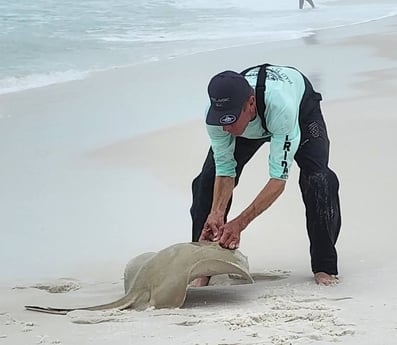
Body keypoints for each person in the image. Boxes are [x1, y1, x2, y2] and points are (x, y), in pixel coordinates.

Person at [190, 64, 341, 286]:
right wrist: (216, 212)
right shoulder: (219, 121)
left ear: (250, 104)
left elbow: (278, 180)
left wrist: (240, 223)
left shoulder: (282, 107)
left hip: (300, 112)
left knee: (319, 180)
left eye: (229, 119)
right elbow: (224, 171)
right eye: (219, 119)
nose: (224, 128)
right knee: (205, 182)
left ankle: (324, 266)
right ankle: (202, 265)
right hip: (249, 123)